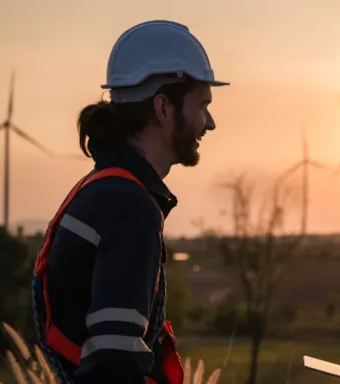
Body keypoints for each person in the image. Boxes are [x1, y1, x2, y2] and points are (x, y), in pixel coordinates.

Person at [31, 20, 229, 384]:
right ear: (163, 108)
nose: (210, 122)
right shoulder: (129, 206)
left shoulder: (101, 189)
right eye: (202, 105)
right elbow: (114, 365)